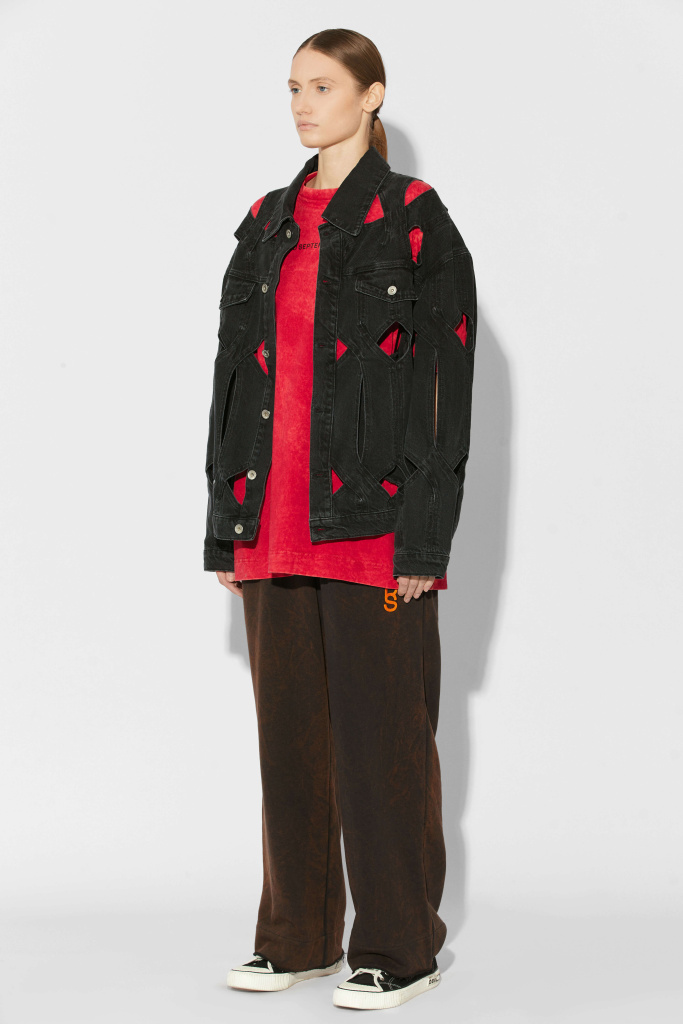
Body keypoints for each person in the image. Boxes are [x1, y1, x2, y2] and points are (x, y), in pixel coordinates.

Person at [203, 28, 477, 1011]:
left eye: (322, 86)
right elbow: (234, 379)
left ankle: (399, 946)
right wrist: (224, 518)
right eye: (292, 88)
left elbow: (444, 385)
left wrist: (425, 537)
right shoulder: (265, 221)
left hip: (370, 527)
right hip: (270, 524)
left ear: (372, 95)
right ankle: (297, 936)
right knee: (290, 742)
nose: (302, 105)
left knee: (382, 742)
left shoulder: (413, 218)